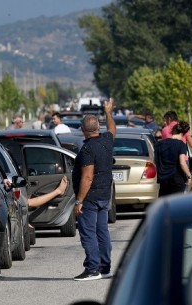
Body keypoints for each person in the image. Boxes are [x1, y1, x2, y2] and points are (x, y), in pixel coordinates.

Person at [72, 97, 116, 281]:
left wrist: (79, 201)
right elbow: (112, 129)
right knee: (102, 231)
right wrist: (108, 111)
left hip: (90, 197)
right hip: (105, 194)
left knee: (88, 233)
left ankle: (92, 269)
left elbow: (88, 176)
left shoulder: (87, 149)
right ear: (98, 128)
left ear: (83, 130)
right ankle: (105, 267)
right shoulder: (106, 140)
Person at [154, 121, 192, 197]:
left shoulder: (159, 144)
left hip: (163, 179)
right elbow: (182, 163)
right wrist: (189, 175)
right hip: (177, 179)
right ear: (183, 133)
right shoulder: (181, 145)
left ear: (173, 131)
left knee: (164, 203)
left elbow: (155, 161)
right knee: (176, 204)